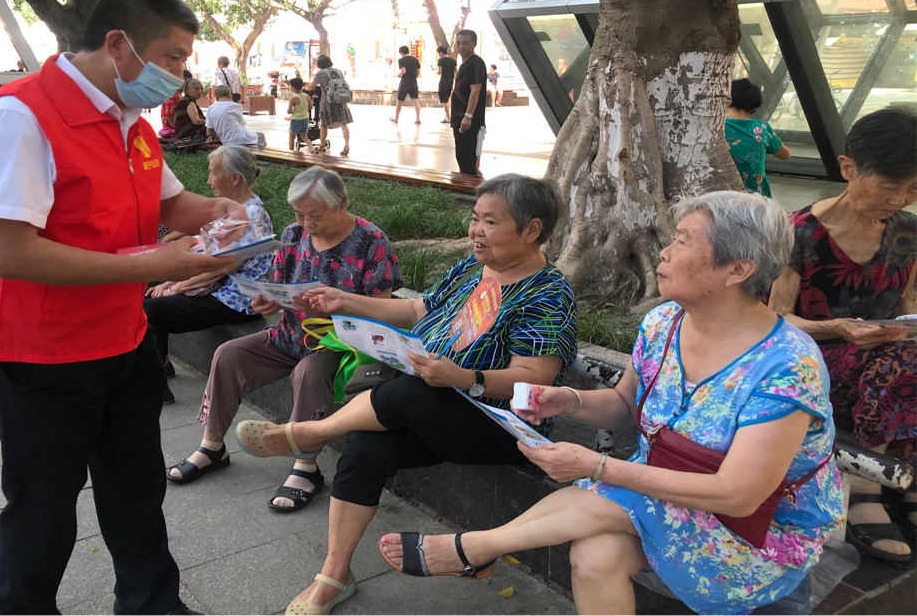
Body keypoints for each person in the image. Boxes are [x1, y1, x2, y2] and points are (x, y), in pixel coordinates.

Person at [380, 191, 843, 616]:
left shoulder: (787, 365)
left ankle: (476, 549)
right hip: (666, 494)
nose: (664, 252)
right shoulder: (664, 323)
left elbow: (739, 496)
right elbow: (625, 403)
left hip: (756, 529)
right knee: (594, 555)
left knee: (614, 494)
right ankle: (477, 550)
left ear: (738, 270)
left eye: (683, 241)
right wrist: (567, 400)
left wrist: (597, 466)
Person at [0, 0, 237, 616]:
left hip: (123, 339)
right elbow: (12, 253)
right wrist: (154, 265)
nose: (179, 76)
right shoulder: (16, 118)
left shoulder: (131, 123)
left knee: (136, 489)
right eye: (172, 57)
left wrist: (220, 210)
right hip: (38, 355)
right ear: (118, 45)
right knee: (43, 508)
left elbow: (172, 204)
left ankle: (152, 605)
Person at [236, 174, 577, 616]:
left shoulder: (549, 293)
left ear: (532, 230)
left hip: (498, 424)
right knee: (366, 444)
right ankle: (334, 576)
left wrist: (464, 377)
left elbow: (535, 376)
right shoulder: (472, 268)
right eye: (475, 218)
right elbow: (417, 310)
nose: (475, 231)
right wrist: (344, 301)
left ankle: (309, 433)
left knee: (411, 392)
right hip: (435, 402)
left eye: (490, 222)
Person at [168, 167, 402, 513]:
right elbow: (279, 286)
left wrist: (333, 309)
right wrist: (269, 301)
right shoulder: (294, 234)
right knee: (229, 354)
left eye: (315, 215)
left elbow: (382, 310)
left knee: (308, 371)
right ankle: (212, 446)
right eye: (299, 214)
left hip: (340, 345)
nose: (306, 223)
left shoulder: (371, 241)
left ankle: (306, 467)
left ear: (341, 205)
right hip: (291, 333)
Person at [770, 106, 917, 562]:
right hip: (812, 360)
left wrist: (904, 328)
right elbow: (775, 321)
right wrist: (837, 327)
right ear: (848, 168)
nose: (901, 199)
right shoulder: (799, 234)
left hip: (887, 360)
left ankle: (906, 479)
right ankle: (867, 486)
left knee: (903, 360)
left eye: (913, 189)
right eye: (890, 187)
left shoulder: (908, 231)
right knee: (901, 363)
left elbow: (907, 303)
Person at [144, 146, 273, 404]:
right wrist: (170, 280)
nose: (208, 180)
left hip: (236, 298)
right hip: (219, 287)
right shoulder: (234, 208)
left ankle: (155, 388)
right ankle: (162, 364)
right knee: (151, 283)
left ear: (234, 177)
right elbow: (207, 251)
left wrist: (176, 287)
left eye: (213, 173)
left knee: (152, 310)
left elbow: (222, 268)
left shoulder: (250, 215)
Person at [725, 78, 791, 197]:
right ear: (752, 108)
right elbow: (786, 155)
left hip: (720, 193)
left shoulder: (712, 127)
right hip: (755, 197)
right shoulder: (762, 130)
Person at [451, 30, 487, 175]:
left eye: (465, 43)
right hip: (459, 119)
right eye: (458, 43)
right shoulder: (465, 64)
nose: (461, 46)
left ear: (474, 44)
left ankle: (474, 188)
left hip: (469, 121)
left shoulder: (475, 63)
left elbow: (475, 91)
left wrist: (468, 116)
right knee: (463, 159)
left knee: (468, 162)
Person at [307, 56, 353, 156]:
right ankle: (346, 145)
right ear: (329, 63)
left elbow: (311, 87)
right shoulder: (338, 71)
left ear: (319, 65)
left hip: (327, 101)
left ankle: (322, 145)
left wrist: (306, 87)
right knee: (343, 123)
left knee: (323, 124)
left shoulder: (320, 74)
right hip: (340, 99)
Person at [390, 45, 421, 125]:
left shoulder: (401, 60)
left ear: (401, 52)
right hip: (413, 82)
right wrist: (414, 77)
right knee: (415, 101)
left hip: (404, 83)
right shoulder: (415, 60)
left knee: (399, 101)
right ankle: (418, 118)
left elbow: (403, 70)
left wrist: (399, 74)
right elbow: (418, 72)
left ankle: (396, 118)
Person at [287, 76, 316, 152]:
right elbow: (311, 107)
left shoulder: (293, 99)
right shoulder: (307, 96)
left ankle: (291, 151)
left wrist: (295, 110)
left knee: (291, 136)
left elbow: (288, 111)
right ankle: (311, 148)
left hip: (296, 119)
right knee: (304, 137)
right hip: (305, 119)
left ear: (293, 88)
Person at [437, 45, 456, 123]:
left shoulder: (441, 60)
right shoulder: (453, 60)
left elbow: (439, 72)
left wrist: (435, 70)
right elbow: (457, 71)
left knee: (444, 100)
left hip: (443, 81)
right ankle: (448, 116)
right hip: (450, 82)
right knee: (448, 98)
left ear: (441, 53)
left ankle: (448, 117)